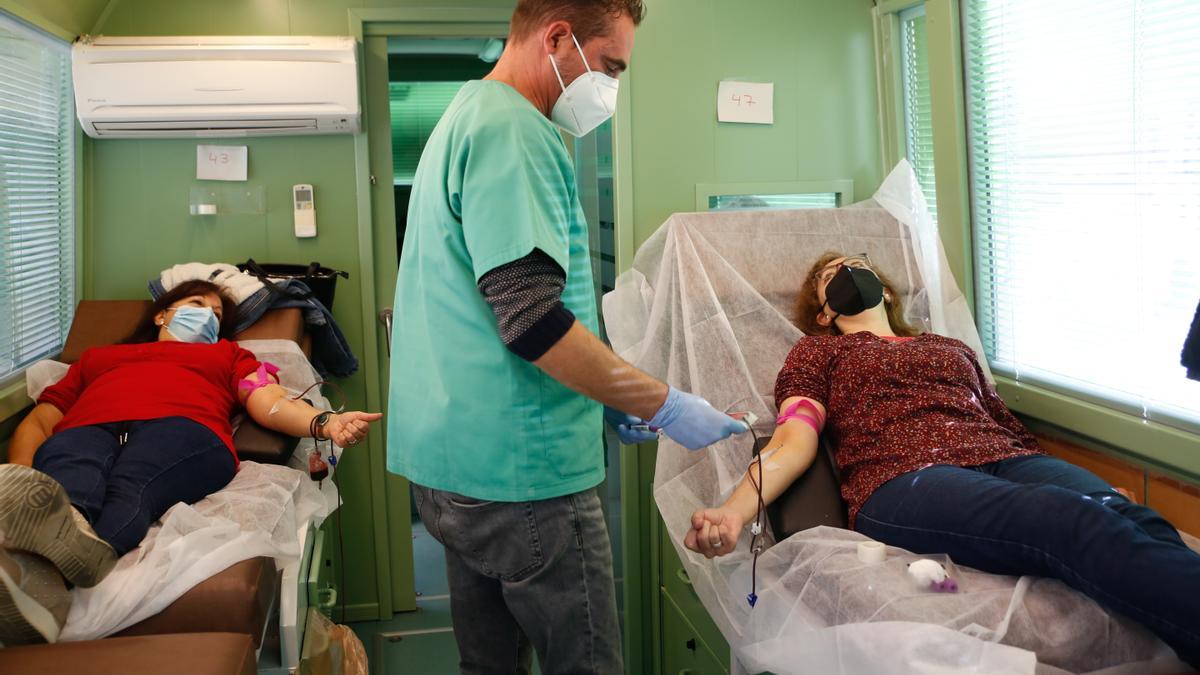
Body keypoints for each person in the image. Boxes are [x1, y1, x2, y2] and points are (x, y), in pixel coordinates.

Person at [386, 1, 748, 672]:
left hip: (453, 470)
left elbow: (489, 304)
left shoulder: (462, 117)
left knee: (488, 664)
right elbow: (531, 321)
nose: (610, 86)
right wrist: (659, 402)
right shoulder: (515, 131)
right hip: (526, 477)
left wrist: (601, 395)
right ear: (557, 37)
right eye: (609, 66)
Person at [684, 252, 1200, 669]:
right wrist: (735, 510)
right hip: (904, 476)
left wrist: (1083, 481)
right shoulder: (818, 354)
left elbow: (1002, 422)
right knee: (1067, 519)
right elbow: (793, 441)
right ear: (823, 313)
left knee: (1133, 516)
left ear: (884, 288)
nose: (844, 270)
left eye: (854, 261)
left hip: (1004, 454)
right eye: (828, 273)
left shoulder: (949, 346)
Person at [0, 280, 381, 645]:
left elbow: (268, 401)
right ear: (161, 315)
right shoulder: (98, 358)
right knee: (71, 472)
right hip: (89, 424)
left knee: (132, 487)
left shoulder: (229, 355)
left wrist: (323, 422)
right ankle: (67, 537)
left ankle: (53, 575)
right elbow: (42, 419)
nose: (209, 316)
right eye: (198, 305)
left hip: (185, 430)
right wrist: (21, 471)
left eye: (217, 313)